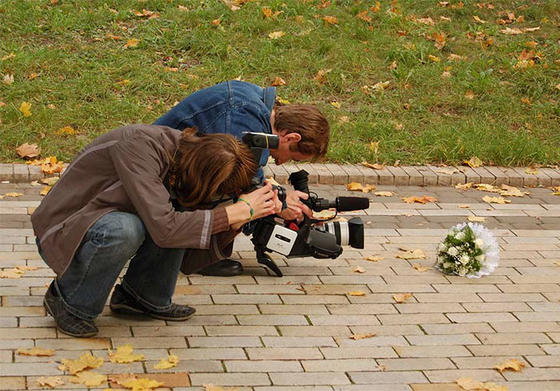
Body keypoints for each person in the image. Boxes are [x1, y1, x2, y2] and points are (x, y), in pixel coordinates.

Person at [31, 124, 280, 337]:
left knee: (178, 219)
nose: (217, 198)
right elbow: (165, 229)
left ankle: (141, 298)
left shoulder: (187, 163)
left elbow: (192, 251)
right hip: (66, 226)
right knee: (127, 229)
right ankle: (69, 303)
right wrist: (231, 213)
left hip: (104, 219)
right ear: (203, 174)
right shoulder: (139, 146)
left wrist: (234, 222)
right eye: (217, 192)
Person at [154, 80, 330, 276]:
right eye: (292, 156)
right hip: (161, 180)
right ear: (291, 138)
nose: (280, 163)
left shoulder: (255, 107)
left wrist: (279, 197)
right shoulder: (243, 116)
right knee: (234, 189)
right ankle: (200, 255)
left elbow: (253, 176)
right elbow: (239, 179)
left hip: (170, 172)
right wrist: (279, 203)